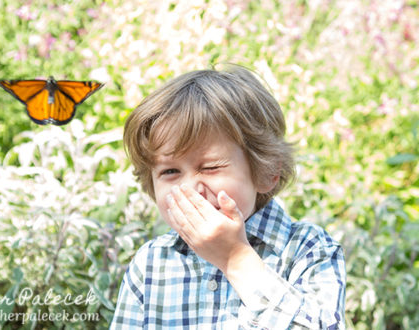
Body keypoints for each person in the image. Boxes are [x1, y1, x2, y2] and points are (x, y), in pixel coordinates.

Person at [111, 66, 345, 328]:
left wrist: (235, 258)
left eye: (210, 167)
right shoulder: (150, 264)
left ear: (269, 171)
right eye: (170, 171)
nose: (191, 189)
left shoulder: (309, 250)